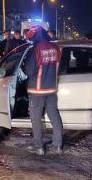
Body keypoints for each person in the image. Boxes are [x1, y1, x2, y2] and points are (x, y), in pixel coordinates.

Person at [22, 26, 63, 155]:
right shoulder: (56, 48)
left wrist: (22, 68)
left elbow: (29, 71)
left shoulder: (35, 49)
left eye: (32, 38)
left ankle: (38, 146)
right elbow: (59, 68)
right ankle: (57, 145)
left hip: (37, 90)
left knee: (36, 118)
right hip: (52, 89)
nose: (32, 40)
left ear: (36, 36)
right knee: (54, 115)